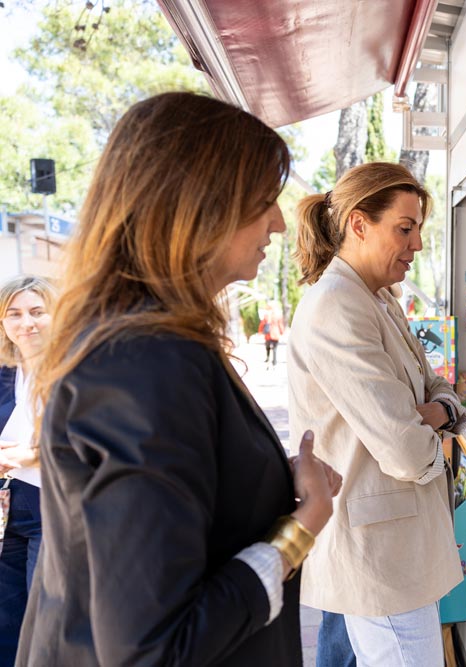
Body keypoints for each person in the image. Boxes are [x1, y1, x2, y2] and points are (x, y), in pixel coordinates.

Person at [17, 92, 341, 666]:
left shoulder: (145, 344)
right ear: (197, 206)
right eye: (262, 200)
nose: (277, 221)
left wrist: (259, 481)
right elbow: (154, 649)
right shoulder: (147, 359)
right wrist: (299, 528)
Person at [288, 161, 466, 667]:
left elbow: (439, 389)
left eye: (417, 231)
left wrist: (432, 410)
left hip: (394, 545)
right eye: (404, 229)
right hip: (379, 550)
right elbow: (406, 451)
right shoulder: (337, 306)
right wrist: (434, 419)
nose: (415, 245)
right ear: (359, 224)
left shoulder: (379, 299)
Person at [0, 276, 55, 667]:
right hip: (7, 512)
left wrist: (28, 456)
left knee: (44, 624)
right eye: (14, 314)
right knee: (6, 622)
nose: (26, 323)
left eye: (37, 311)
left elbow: (90, 443)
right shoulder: (5, 374)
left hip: (52, 511)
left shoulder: (76, 370)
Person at [259, 302, 285, 368]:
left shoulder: (266, 315)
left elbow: (262, 324)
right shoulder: (278, 315)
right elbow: (280, 324)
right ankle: (274, 363)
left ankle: (268, 360)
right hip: (276, 334)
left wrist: (260, 331)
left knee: (267, 348)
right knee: (275, 349)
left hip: (268, 335)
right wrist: (282, 332)